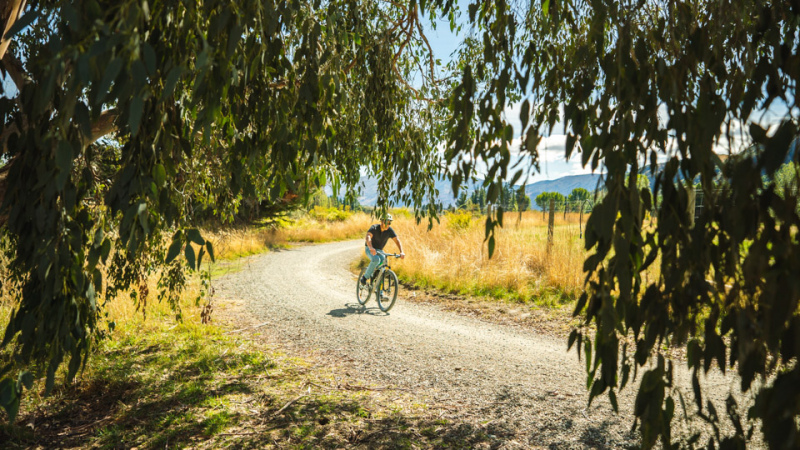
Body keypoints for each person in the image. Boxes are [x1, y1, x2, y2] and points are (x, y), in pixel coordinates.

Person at [361, 214, 405, 285]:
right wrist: (371, 247)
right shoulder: (374, 228)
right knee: (376, 259)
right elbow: (368, 237)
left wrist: (401, 252)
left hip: (379, 250)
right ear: (381, 222)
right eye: (386, 222)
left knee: (383, 261)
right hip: (369, 248)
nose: (388, 225)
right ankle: (364, 278)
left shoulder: (389, 230)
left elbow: (397, 240)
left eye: (389, 223)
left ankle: (376, 279)